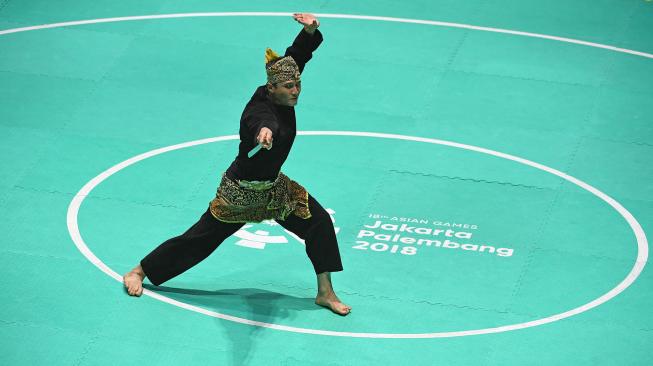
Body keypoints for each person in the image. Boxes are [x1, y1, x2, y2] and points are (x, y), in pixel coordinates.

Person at [123, 13, 351, 316]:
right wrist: (264, 133)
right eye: (288, 87)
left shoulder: (282, 82)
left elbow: (296, 57)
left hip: (274, 189)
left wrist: (309, 33)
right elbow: (261, 121)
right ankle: (139, 271)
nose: (295, 90)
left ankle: (325, 292)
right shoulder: (258, 110)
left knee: (319, 221)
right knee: (199, 240)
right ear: (271, 89)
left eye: (297, 84)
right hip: (240, 193)